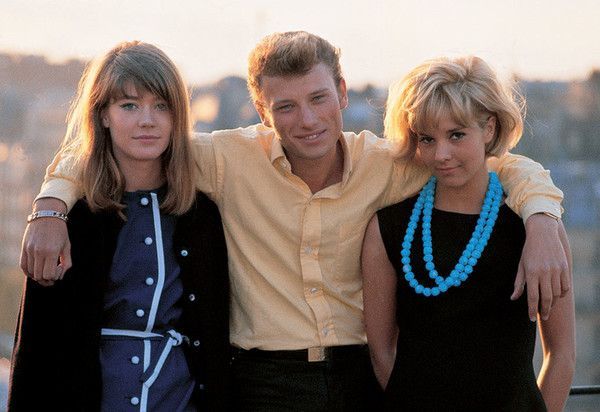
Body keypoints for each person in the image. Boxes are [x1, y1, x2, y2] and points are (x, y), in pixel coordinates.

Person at [21, 32, 568, 411]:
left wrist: (542, 218)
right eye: (285, 107)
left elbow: (496, 163)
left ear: (343, 95)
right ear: (262, 110)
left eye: (318, 99)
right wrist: (50, 205)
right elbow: (122, 145)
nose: (306, 120)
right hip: (265, 384)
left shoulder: (389, 165)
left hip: (364, 379)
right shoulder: (227, 159)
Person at [9, 41, 230, 411]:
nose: (147, 120)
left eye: (162, 106)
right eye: (129, 105)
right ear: (103, 114)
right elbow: (36, 345)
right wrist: (50, 207)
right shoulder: (70, 218)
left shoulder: (201, 213)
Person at [362, 56, 576, 411]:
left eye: (456, 135)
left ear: (489, 129)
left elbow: (562, 354)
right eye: (427, 139)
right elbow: (382, 351)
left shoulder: (536, 226)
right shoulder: (388, 227)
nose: (441, 154)